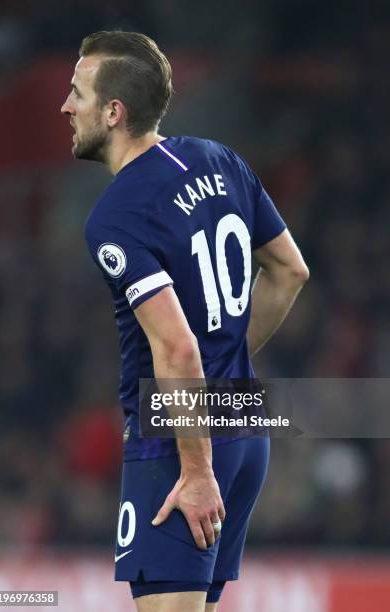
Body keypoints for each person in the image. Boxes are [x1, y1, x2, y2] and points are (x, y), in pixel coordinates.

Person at [61, 30, 309, 612]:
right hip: (243, 428)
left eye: (77, 93)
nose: (66, 106)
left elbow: (177, 351)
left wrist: (196, 469)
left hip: (177, 446)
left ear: (114, 112)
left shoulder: (117, 216)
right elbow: (289, 271)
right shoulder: (218, 159)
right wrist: (226, 369)